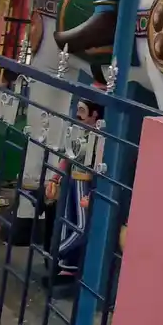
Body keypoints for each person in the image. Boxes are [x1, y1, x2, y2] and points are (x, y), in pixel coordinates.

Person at [42, 91, 104, 289]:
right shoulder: (78, 132)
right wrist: (55, 177)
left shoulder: (100, 138)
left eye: (82, 111)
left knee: (82, 227)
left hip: (86, 184)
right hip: (72, 182)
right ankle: (65, 265)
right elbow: (67, 157)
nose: (78, 114)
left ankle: (57, 252)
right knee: (68, 222)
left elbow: (101, 167)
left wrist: (93, 195)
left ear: (94, 114)